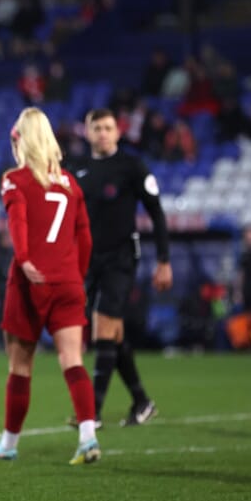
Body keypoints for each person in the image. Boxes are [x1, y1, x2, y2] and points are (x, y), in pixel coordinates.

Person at [0, 107, 100, 465]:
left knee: (20, 366)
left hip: (30, 282)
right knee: (73, 361)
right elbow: (85, 237)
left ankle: (9, 443)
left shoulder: (15, 179)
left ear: (20, 139)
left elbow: (17, 221)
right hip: (68, 282)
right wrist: (75, 273)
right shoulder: (70, 183)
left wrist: (26, 258)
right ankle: (88, 437)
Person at [66, 108, 172, 427]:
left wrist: (164, 260)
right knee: (114, 334)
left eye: (108, 127)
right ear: (87, 132)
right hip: (89, 260)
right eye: (96, 127)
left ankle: (92, 412)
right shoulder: (77, 169)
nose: (102, 133)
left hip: (122, 258)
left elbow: (156, 212)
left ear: (118, 132)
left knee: (103, 326)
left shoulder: (131, 166)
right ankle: (142, 401)